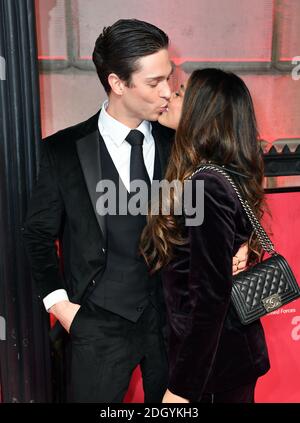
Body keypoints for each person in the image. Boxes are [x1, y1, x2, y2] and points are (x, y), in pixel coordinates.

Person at [23, 19, 248, 403]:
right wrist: (61, 307)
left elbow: (227, 196)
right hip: (97, 324)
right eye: (154, 82)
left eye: (170, 78)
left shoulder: (181, 143)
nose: (167, 91)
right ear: (117, 83)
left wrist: (239, 244)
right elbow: (37, 235)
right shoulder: (61, 151)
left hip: (173, 325)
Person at [141, 68, 270, 403]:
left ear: (203, 113)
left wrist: (182, 387)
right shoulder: (218, 173)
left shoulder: (205, 183)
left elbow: (210, 297)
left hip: (213, 368)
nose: (170, 95)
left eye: (182, 93)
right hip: (222, 358)